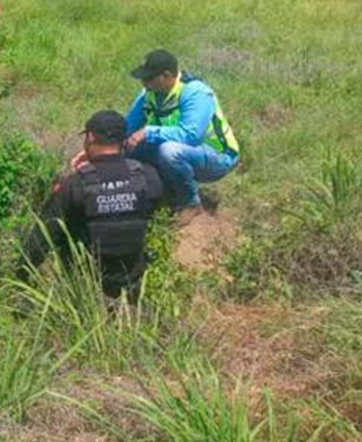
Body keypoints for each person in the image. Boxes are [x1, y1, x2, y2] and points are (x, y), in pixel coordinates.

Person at [22, 110, 164, 300]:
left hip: (88, 284)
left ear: (90, 137)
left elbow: (41, 239)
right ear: (123, 140)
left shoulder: (74, 185)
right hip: (134, 281)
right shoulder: (147, 175)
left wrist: (21, 274)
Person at [123, 49, 240, 220]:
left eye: (148, 78)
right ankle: (160, 192)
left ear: (167, 75)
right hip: (181, 150)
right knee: (129, 146)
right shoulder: (148, 94)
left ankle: (190, 204)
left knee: (170, 152)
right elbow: (128, 128)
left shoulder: (195, 92)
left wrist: (148, 132)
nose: (144, 83)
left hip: (218, 156)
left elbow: (191, 135)